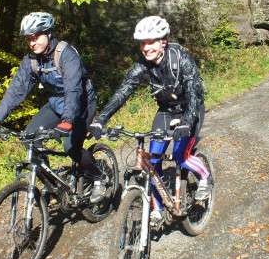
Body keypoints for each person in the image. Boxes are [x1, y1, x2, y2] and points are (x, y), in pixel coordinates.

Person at [89, 15, 212, 224]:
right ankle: (156, 209)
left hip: (190, 110)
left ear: (163, 41)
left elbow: (194, 92)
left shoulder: (180, 58)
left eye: (151, 42)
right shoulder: (142, 65)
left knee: (180, 155)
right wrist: (101, 118)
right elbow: (123, 91)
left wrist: (188, 121)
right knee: (151, 162)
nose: (146, 48)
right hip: (166, 111)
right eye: (142, 43)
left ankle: (205, 178)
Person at [0, 12, 105, 202]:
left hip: (81, 103)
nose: (32, 42)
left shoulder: (66, 54)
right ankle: (54, 186)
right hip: (56, 103)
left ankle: (98, 177)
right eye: (29, 39)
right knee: (29, 137)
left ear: (48, 34)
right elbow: (16, 90)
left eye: (36, 37)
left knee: (70, 146)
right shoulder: (31, 60)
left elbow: (73, 89)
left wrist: (67, 121)